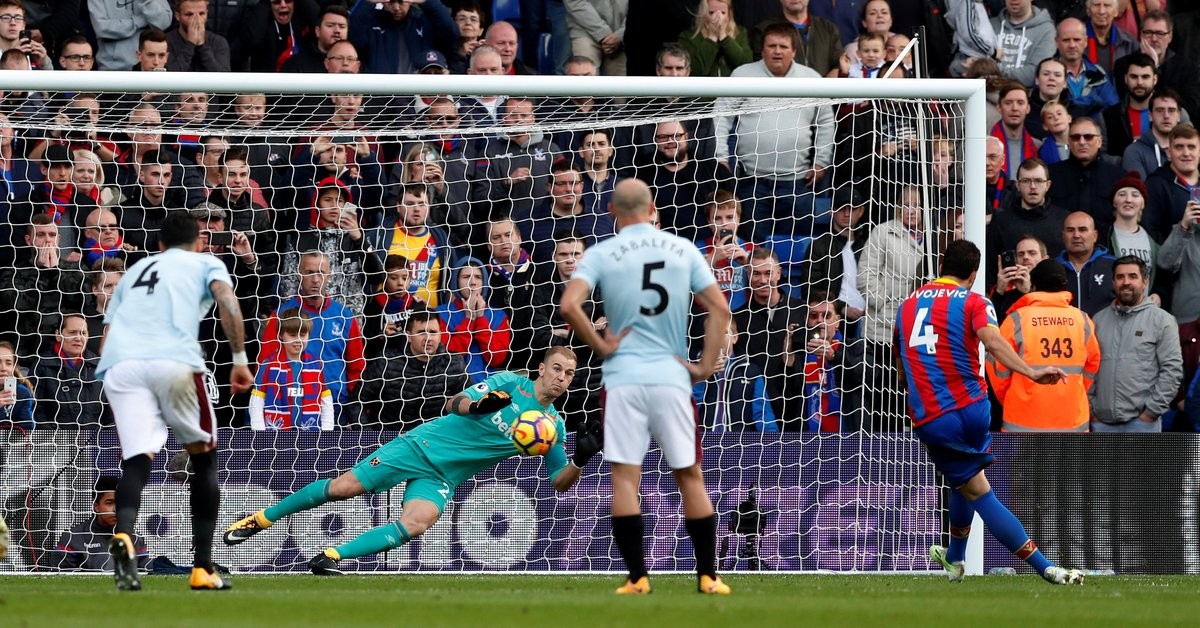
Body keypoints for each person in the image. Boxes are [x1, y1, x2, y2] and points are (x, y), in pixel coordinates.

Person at [224, 346, 596, 574]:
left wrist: (579, 459)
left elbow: (558, 481)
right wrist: (479, 406)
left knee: (419, 521)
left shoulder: (553, 428)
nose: (562, 378)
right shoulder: (509, 382)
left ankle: (331, 556)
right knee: (343, 488)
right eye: (557, 369)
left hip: (444, 475)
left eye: (569, 374)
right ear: (542, 369)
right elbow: (453, 404)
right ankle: (260, 519)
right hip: (421, 446)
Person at [560, 178, 733, 595]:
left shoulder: (602, 251)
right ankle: (708, 577)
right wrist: (705, 366)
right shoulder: (683, 248)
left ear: (612, 212)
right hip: (671, 378)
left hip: (622, 380)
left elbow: (569, 305)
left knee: (625, 477)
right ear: (653, 207)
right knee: (690, 474)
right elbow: (720, 308)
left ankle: (637, 578)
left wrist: (600, 344)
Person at [896, 239, 1084, 586]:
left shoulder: (907, 305)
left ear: (941, 265)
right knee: (963, 481)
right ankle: (954, 558)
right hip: (975, 407)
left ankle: (1046, 568)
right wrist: (1031, 370)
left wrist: (917, 395)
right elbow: (992, 342)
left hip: (937, 414)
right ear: (973, 273)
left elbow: (902, 364)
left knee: (979, 491)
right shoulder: (975, 301)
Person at [97, 211, 253, 591]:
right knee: (204, 457)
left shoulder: (134, 271)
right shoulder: (207, 262)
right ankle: (202, 567)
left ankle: (125, 538)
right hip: (173, 362)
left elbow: (109, 328)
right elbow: (228, 303)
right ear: (199, 242)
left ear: (160, 246)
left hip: (120, 367)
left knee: (137, 459)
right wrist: (239, 360)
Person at [715, 22, 834, 240]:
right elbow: (720, 115)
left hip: (798, 184)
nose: (777, 51)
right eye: (771, 46)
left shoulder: (812, 79)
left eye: (783, 46)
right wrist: (720, 156)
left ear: (794, 51)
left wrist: (821, 161)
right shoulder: (742, 75)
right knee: (753, 250)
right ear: (762, 50)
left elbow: (826, 121)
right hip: (752, 183)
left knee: (798, 250)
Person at [985, 259, 1101, 432]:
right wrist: (1072, 391)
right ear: (1065, 285)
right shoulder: (1082, 320)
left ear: (1034, 285)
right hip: (1072, 420)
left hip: (1022, 421)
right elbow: (1092, 366)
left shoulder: (1016, 320)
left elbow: (996, 367)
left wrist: (1012, 398)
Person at [1091, 255, 1182, 432]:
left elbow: (1172, 370)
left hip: (1142, 424)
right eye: (1120, 277)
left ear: (1145, 281)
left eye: (1133, 276)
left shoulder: (1162, 320)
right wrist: (1091, 408)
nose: (1126, 282)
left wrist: (1151, 413)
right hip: (1101, 423)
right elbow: (1088, 368)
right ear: (1113, 282)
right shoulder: (1098, 320)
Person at [355, 308, 468, 431]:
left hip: (433, 441)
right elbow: (356, 402)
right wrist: (369, 436)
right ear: (409, 336)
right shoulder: (386, 362)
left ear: (440, 335)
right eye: (421, 332)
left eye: (433, 332)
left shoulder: (454, 364)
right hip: (389, 441)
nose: (428, 338)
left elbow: (470, 399)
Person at [248, 308, 333, 431]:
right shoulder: (269, 364)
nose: (298, 340)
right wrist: (260, 434)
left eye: (302, 335)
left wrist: (327, 432)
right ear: (281, 335)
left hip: (311, 437)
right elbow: (256, 402)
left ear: (309, 335)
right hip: (276, 438)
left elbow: (326, 402)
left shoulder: (316, 364)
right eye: (293, 335)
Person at [693, 317, 776, 431]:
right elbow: (686, 413)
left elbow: (763, 415)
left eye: (724, 332)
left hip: (739, 444)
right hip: (704, 443)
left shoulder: (751, 372)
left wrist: (773, 444)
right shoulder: (693, 371)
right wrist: (701, 377)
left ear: (735, 338)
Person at [53, 476, 149, 571]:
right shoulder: (72, 538)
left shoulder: (135, 538)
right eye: (110, 503)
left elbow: (146, 572)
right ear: (96, 507)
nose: (116, 509)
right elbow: (58, 579)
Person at [31, 313, 105, 428]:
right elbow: (36, 412)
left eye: (83, 333)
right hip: (54, 442)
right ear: (58, 335)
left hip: (95, 442)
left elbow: (110, 414)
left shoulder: (99, 367)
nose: (78, 338)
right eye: (72, 332)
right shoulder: (42, 367)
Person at [1056, 211, 1116, 316]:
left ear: (1094, 235)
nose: (1076, 235)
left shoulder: (1113, 265)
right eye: (1070, 230)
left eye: (1082, 230)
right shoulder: (1052, 268)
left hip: (1101, 331)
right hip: (1063, 331)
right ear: (1063, 236)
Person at [678, 0, 751, 77]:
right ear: (703, 14)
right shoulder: (688, 36)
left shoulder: (740, 33)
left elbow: (746, 65)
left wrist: (724, 37)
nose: (718, 17)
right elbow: (695, 70)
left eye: (723, 13)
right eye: (711, 13)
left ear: (729, 15)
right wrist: (711, 38)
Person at [989, 0, 1055, 86]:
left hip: (1024, 95)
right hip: (988, 92)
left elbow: (1035, 74)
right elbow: (976, 67)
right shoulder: (990, 25)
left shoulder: (1046, 30)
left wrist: (993, 71)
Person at [0, 340, 34, 430]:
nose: (3, 368)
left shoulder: (22, 393)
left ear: (13, 366)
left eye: (8, 363)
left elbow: (27, 428)